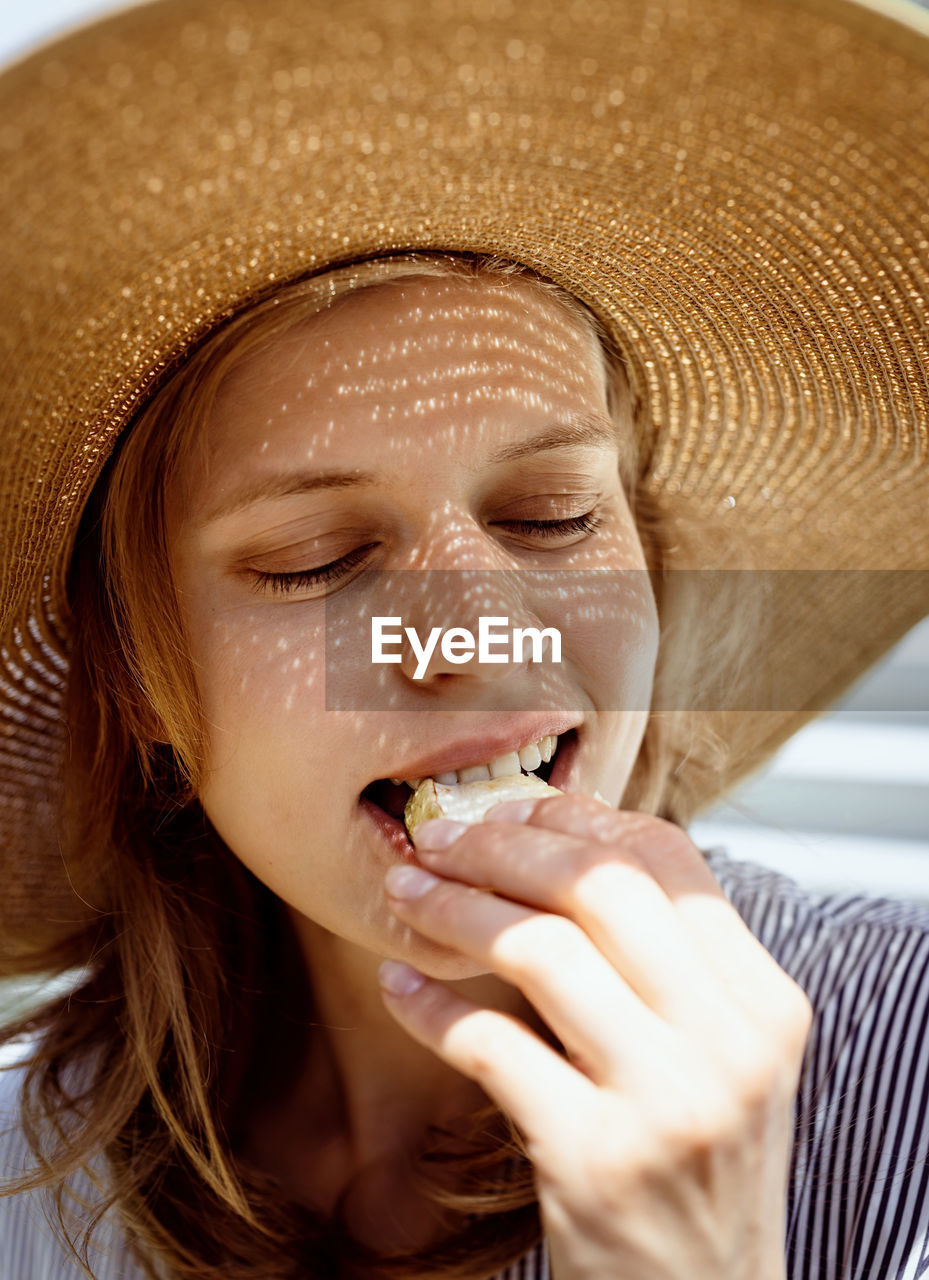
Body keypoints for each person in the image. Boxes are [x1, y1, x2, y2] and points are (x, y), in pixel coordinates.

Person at [0, 1, 927, 1279]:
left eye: (549, 519)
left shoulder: (908, 1072)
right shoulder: (25, 1187)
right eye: (316, 560)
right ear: (140, 677)